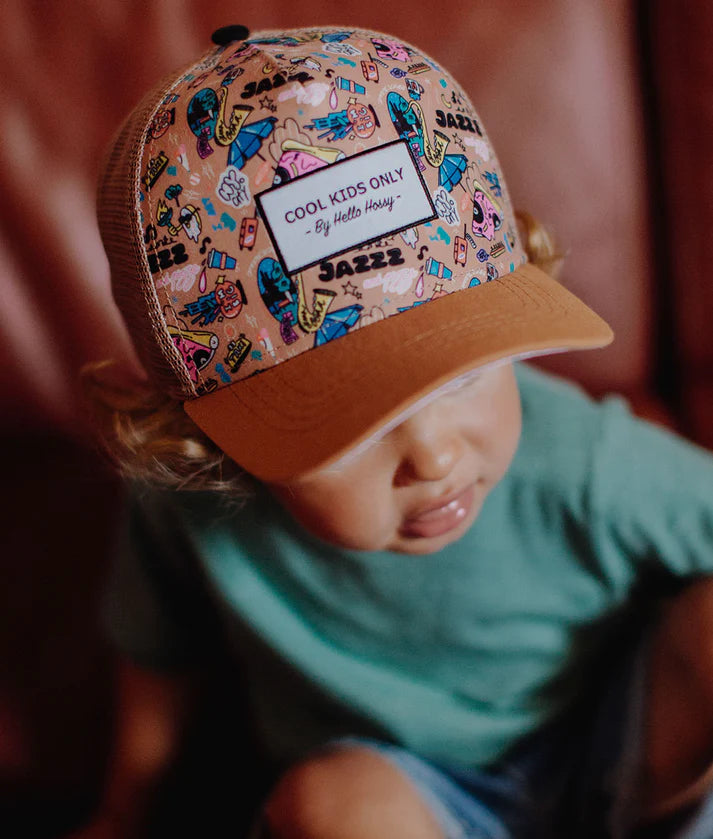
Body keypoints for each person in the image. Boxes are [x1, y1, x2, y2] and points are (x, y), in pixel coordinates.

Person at [78, 23, 713, 839]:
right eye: (354, 423)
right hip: (412, 794)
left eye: (464, 372)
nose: (436, 455)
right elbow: (157, 646)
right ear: (208, 441)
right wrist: (121, 812)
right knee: (327, 806)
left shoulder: (582, 458)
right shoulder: (184, 500)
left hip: (619, 741)